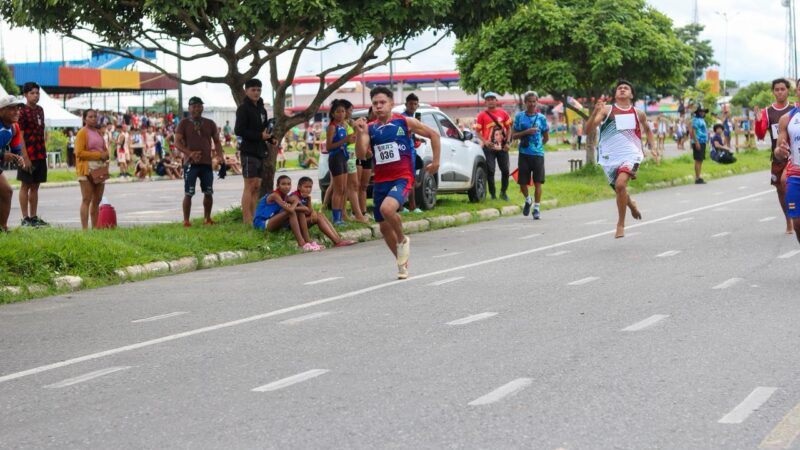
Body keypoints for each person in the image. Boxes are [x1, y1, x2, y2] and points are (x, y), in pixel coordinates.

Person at [355, 86, 441, 279]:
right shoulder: (370, 128)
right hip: (381, 181)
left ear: (391, 103)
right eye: (375, 103)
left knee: (388, 210)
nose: (378, 106)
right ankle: (402, 264)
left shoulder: (405, 121)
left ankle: (402, 239)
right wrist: (360, 134)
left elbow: (434, 135)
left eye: (382, 102)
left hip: (402, 177)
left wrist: (435, 161)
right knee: (384, 228)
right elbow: (361, 155)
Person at [584, 80, 654, 239]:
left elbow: (648, 130)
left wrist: (653, 147)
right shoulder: (607, 110)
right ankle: (631, 205)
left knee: (621, 184)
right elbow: (588, 130)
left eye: (626, 88)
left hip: (632, 154)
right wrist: (595, 113)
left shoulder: (638, 113)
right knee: (619, 189)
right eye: (619, 88)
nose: (622, 90)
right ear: (615, 94)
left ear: (631, 94)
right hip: (609, 157)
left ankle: (620, 224)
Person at [175, 97, 224, 227]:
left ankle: (207, 218)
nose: (197, 108)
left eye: (199, 106)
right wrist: (190, 153)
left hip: (207, 163)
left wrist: (220, 157)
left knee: (208, 192)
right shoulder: (183, 123)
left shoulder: (210, 123)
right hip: (190, 164)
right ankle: (186, 220)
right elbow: (177, 142)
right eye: (194, 106)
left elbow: (217, 141)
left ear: (202, 107)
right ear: (189, 108)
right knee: (189, 193)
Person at [757, 78, 794, 234]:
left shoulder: (795, 109)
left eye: (782, 89)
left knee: (790, 184)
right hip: (778, 157)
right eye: (776, 89)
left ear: (788, 91)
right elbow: (759, 135)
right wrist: (758, 122)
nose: (779, 92)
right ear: (773, 92)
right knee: (780, 189)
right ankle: (789, 221)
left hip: (795, 156)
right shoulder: (767, 112)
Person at [235, 78, 272, 225]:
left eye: (258, 90)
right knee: (249, 185)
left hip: (260, 150)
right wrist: (259, 136)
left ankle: (254, 218)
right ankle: (246, 219)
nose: (256, 92)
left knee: (257, 185)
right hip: (248, 151)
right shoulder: (243, 108)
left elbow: (263, 130)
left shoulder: (262, 109)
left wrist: (270, 138)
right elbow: (239, 130)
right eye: (253, 90)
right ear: (246, 91)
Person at [253, 174, 321, 251]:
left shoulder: (286, 196)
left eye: (289, 184)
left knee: (300, 212)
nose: (287, 186)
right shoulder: (275, 195)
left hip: (272, 220)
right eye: (283, 184)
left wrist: (307, 203)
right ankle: (301, 243)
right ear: (277, 185)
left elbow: (305, 209)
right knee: (291, 212)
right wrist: (296, 201)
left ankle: (307, 240)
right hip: (261, 223)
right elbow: (291, 210)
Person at [511, 91, 549, 220]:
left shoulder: (542, 118)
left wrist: (538, 147)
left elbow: (546, 137)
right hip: (524, 154)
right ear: (525, 102)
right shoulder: (519, 117)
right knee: (522, 182)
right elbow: (513, 135)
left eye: (534, 101)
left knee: (538, 182)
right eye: (529, 101)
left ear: (537, 102)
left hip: (538, 155)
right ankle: (528, 200)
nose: (532, 104)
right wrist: (527, 132)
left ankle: (537, 208)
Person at [289, 177, 356, 248]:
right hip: (293, 224)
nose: (308, 189)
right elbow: (306, 210)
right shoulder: (295, 196)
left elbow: (309, 211)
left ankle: (338, 239)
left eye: (310, 187)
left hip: (302, 222)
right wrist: (312, 211)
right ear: (299, 187)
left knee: (320, 215)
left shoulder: (306, 197)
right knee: (318, 217)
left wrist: (311, 206)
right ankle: (337, 241)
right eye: (306, 187)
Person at [17, 82, 47, 227]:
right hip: (28, 154)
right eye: (32, 93)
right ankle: (25, 218)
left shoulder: (40, 110)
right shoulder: (22, 111)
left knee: (35, 186)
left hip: (40, 153)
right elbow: (20, 135)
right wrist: (25, 157)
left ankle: (34, 217)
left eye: (37, 93)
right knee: (25, 185)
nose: (35, 96)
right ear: (26, 95)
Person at [74, 109, 110, 229]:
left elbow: (104, 148)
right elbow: (79, 153)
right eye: (90, 117)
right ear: (84, 119)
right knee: (86, 199)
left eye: (95, 116)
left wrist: (106, 155)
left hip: (99, 168)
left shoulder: (98, 132)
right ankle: (85, 230)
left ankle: (95, 228)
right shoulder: (82, 133)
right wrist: (99, 155)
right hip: (86, 168)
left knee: (97, 199)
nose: (93, 118)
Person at [0, 96, 30, 232]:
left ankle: (3, 228)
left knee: (7, 191)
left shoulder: (14, 128)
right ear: (1, 111)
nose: (17, 111)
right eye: (12, 108)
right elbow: (5, 155)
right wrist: (3, 156)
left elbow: (16, 149)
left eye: (18, 108)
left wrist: (20, 159)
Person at [474, 92, 512, 200]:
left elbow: (509, 129)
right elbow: (477, 131)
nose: (490, 101)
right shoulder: (482, 115)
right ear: (485, 102)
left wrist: (508, 143)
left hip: (502, 147)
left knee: (505, 170)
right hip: (489, 148)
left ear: (496, 100)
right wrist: (485, 141)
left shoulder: (503, 113)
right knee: (490, 171)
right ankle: (493, 194)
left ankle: (503, 193)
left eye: (492, 99)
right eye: (488, 99)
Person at [775, 93, 800, 243]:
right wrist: (780, 152)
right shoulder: (787, 119)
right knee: (797, 223)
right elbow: (778, 152)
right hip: (796, 175)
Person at [326, 100, 354, 226]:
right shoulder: (332, 127)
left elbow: (344, 142)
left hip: (343, 157)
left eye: (343, 111)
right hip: (335, 158)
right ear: (333, 113)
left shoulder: (343, 126)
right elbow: (329, 146)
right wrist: (345, 140)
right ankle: (335, 218)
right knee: (338, 189)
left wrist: (349, 141)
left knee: (343, 189)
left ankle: (341, 217)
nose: (341, 114)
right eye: (338, 111)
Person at [401, 93, 422, 213]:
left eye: (415, 104)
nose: (413, 106)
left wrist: (417, 138)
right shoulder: (403, 118)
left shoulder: (414, 117)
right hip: (404, 152)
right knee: (404, 179)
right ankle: (402, 206)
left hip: (411, 151)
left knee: (412, 178)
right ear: (406, 104)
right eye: (410, 104)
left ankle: (412, 206)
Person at [689, 105, 709, 184]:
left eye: (703, 111)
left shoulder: (702, 120)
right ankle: (697, 177)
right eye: (701, 111)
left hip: (703, 141)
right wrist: (696, 142)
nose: (703, 113)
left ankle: (699, 176)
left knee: (700, 160)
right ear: (698, 112)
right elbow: (693, 131)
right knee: (698, 160)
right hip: (698, 141)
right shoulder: (696, 120)